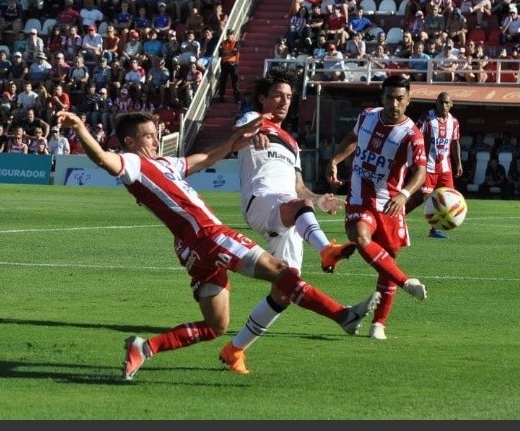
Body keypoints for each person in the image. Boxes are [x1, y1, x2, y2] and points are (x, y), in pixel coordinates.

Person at [54, 109, 380, 381]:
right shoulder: (133, 163)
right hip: (209, 235)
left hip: (192, 250)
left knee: (216, 326)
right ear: (130, 141)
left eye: (156, 133)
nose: (156, 139)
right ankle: (343, 316)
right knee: (282, 273)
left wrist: (239, 140)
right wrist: (80, 127)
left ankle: (145, 348)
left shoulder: (167, 165)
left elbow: (209, 156)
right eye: (149, 135)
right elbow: (101, 158)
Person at [219, 66, 361, 374]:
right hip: (262, 202)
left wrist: (318, 199)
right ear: (263, 98)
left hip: (289, 208)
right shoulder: (250, 120)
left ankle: (235, 350)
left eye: (288, 97)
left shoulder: (293, 144)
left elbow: (299, 189)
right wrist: (251, 137)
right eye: (277, 96)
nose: (284, 102)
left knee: (286, 287)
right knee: (296, 207)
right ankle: (327, 250)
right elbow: (235, 139)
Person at [325, 75, 428, 341]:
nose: (395, 103)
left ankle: (378, 324)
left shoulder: (412, 135)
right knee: (360, 236)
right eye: (390, 97)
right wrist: (336, 159)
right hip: (360, 195)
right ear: (381, 98)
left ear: (408, 101)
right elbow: (353, 138)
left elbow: (420, 171)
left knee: (387, 264)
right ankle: (407, 282)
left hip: (390, 204)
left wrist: (404, 195)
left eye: (400, 99)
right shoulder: (367, 116)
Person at [406, 92, 463, 239]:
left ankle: (435, 229)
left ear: (451, 105)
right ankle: (397, 217)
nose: (443, 105)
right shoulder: (427, 119)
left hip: (445, 168)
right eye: (441, 102)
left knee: (446, 199)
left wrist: (458, 163)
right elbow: (414, 136)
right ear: (436, 103)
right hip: (428, 166)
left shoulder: (454, 122)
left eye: (446, 103)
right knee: (422, 196)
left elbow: (455, 142)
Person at [217, 28, 241, 103]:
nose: (229, 36)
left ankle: (237, 98)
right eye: (228, 34)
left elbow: (235, 51)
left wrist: (226, 52)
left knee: (235, 81)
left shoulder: (236, 42)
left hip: (233, 64)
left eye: (231, 34)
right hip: (224, 63)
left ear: (233, 35)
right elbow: (220, 53)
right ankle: (221, 96)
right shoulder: (223, 43)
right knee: (223, 80)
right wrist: (229, 51)